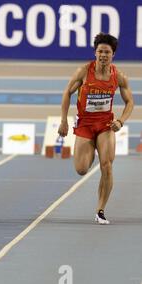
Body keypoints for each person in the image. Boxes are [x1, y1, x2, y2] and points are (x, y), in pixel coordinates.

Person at [58, 33, 134, 225]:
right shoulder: (84, 71)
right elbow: (67, 92)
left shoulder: (119, 77)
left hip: (106, 125)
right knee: (81, 169)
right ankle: (89, 151)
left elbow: (130, 102)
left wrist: (121, 121)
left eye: (107, 52)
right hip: (85, 124)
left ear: (113, 54)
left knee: (107, 166)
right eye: (100, 51)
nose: (103, 55)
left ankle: (100, 210)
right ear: (95, 52)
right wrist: (63, 121)